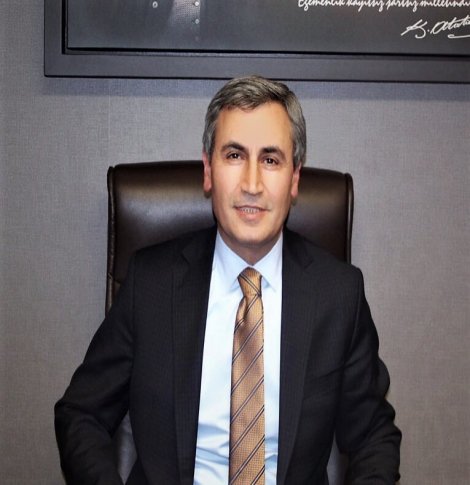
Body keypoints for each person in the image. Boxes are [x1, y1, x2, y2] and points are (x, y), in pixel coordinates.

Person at [55, 76, 401, 484]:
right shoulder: (151, 284)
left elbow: (373, 436)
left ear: (294, 179)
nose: (252, 185)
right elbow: (81, 413)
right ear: (208, 171)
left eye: (270, 160)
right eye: (235, 155)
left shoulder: (338, 294)